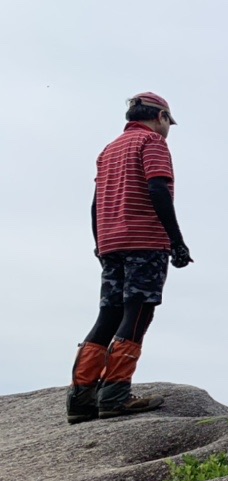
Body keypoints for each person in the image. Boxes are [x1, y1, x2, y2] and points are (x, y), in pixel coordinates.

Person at [66, 92, 193, 424]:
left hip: (111, 243)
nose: (168, 130)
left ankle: (80, 399)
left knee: (107, 315)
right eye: (169, 123)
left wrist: (100, 244)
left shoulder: (108, 150)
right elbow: (157, 190)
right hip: (144, 241)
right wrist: (177, 242)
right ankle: (115, 395)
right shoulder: (152, 142)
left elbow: (95, 204)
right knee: (138, 313)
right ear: (161, 116)